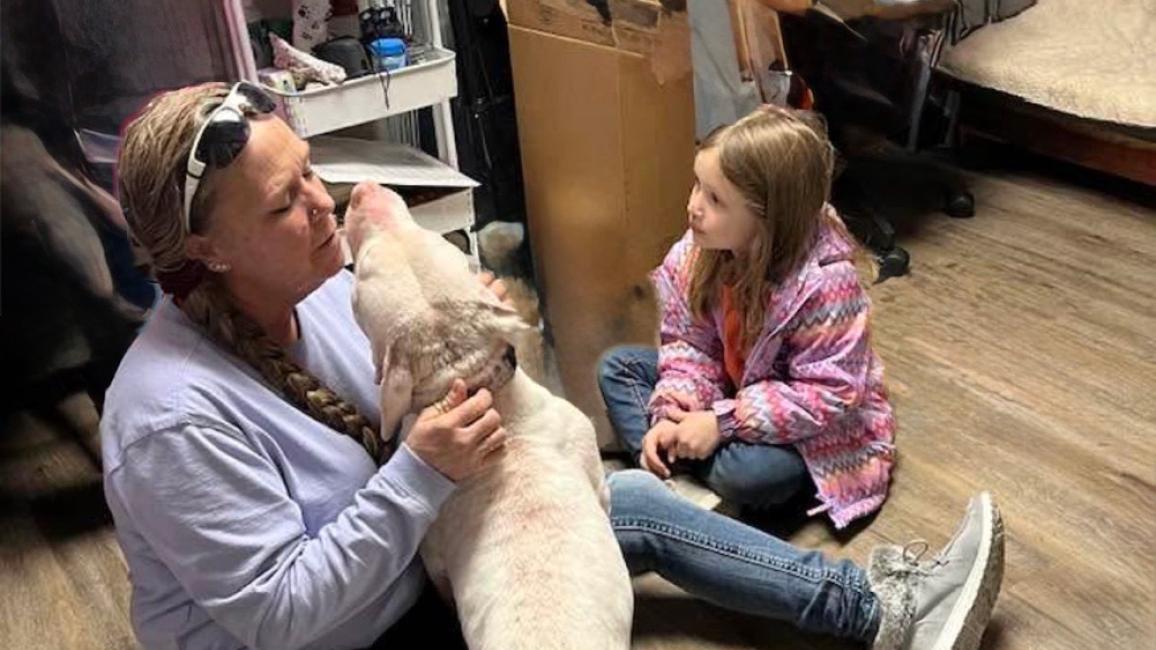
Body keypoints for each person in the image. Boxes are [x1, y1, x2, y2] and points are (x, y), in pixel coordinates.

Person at [102, 82, 1003, 650]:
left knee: (625, 500)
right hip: (355, 626)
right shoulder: (169, 417)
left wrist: (480, 330)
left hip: (416, 560)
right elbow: (280, 615)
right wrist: (419, 471)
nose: (322, 201)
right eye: (281, 203)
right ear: (206, 250)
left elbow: (431, 386)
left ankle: (878, 610)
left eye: (309, 171)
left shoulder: (316, 286)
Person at [599, 106, 895, 525]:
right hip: (730, 395)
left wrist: (722, 424)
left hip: (806, 429)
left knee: (753, 476)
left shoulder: (827, 284)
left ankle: (678, 481)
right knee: (618, 368)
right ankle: (674, 470)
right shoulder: (696, 251)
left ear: (768, 219)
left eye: (715, 199)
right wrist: (672, 411)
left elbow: (827, 394)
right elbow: (688, 344)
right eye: (697, 186)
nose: (694, 206)